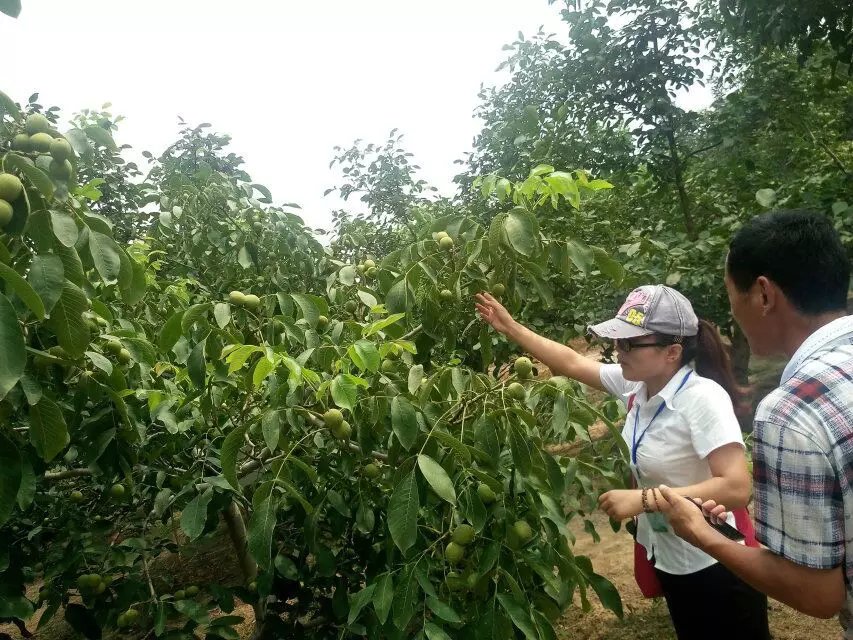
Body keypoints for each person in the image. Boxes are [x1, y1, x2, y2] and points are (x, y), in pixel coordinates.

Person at [475, 284, 771, 639]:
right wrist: (510, 326)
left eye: (630, 344)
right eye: (618, 342)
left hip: (718, 563)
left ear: (672, 351)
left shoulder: (702, 399)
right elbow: (569, 362)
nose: (619, 352)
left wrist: (643, 500)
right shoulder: (639, 386)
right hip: (674, 557)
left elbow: (736, 487)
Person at [657, 209, 853, 635]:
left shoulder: (793, 412)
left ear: (763, 295)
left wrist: (702, 535)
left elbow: (819, 594)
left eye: (732, 297)